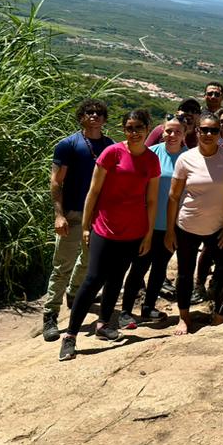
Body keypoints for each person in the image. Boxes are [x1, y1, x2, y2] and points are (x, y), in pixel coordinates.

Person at [57, 110, 161, 361]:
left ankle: (103, 324)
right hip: (105, 228)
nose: (133, 132)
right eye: (128, 127)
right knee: (93, 279)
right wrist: (85, 226)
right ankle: (70, 336)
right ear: (123, 129)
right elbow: (93, 192)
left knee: (116, 278)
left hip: (134, 231)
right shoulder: (112, 153)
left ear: (148, 129)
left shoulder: (150, 160)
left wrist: (147, 234)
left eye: (138, 127)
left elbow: (151, 199)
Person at [166, 113, 223, 332]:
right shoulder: (186, 158)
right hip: (187, 226)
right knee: (184, 273)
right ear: (197, 131)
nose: (209, 134)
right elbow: (174, 196)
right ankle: (184, 316)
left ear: (220, 133)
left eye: (214, 130)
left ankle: (219, 315)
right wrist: (170, 231)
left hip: (218, 228)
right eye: (204, 130)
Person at [42, 99, 113, 343]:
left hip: (97, 216)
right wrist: (59, 214)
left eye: (98, 113)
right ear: (81, 117)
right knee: (63, 265)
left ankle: (74, 295)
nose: (94, 116)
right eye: (89, 112)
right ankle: (50, 314)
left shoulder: (109, 146)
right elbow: (55, 181)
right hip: (72, 213)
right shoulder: (68, 145)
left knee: (88, 262)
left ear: (104, 119)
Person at [118, 113, 187, 327]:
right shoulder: (151, 154)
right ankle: (126, 312)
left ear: (185, 134)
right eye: (168, 131)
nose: (172, 135)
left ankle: (148, 307)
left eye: (177, 131)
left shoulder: (190, 158)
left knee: (160, 268)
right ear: (162, 132)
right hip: (146, 224)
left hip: (172, 226)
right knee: (138, 268)